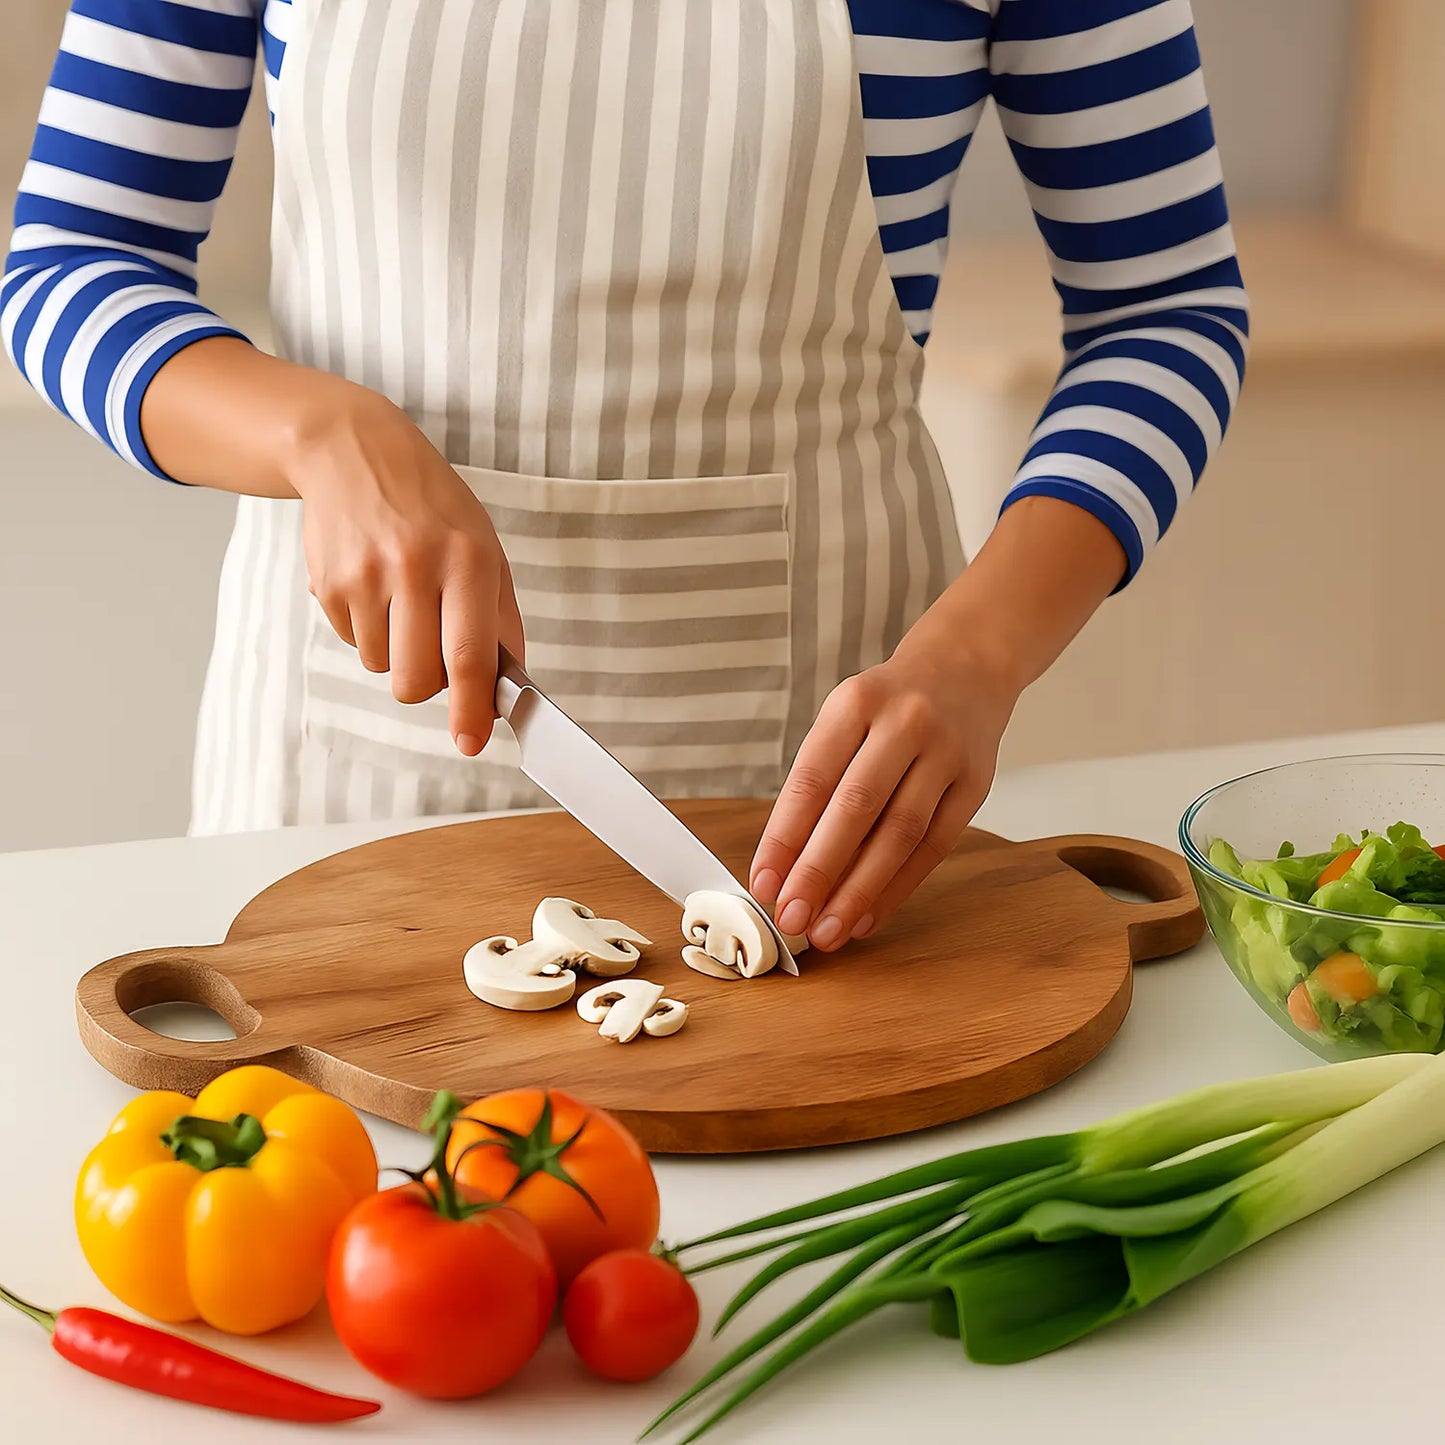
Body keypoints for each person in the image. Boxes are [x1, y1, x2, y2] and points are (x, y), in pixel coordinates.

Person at [3, 0, 1247, 953]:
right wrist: (318, 436)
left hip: (818, 802)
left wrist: (979, 654)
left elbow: (1166, 311)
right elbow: (67, 262)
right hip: (332, 770)